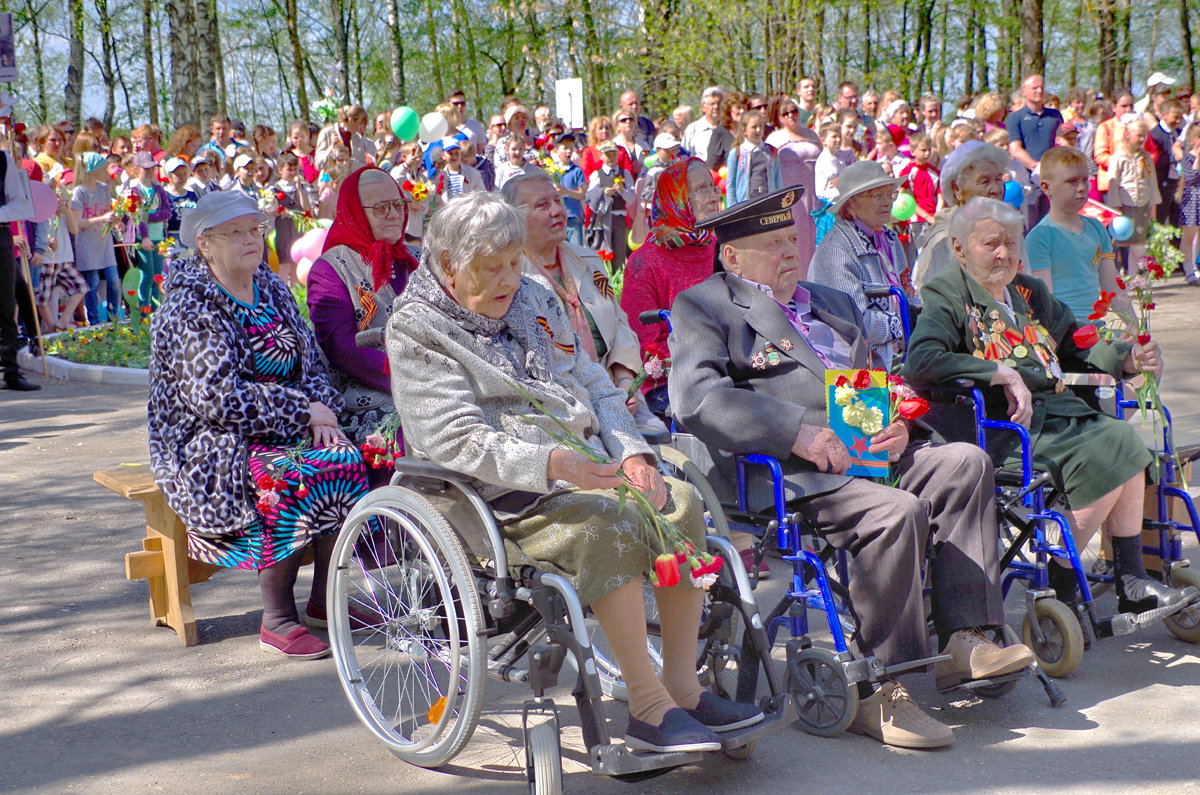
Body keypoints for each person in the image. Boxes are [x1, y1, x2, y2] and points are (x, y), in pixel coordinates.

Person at [385, 190, 763, 754]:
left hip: (583, 463)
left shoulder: (533, 294)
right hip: (497, 492)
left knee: (680, 502)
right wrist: (551, 464)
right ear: (447, 266)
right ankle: (647, 706)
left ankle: (683, 688)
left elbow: (591, 381)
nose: (511, 279)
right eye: (492, 269)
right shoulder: (417, 328)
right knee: (603, 524)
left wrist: (634, 452)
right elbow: (452, 438)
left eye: (515, 263)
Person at [668, 188, 1034, 751]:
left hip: (865, 451)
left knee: (965, 461)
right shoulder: (706, 305)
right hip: (787, 470)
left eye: (792, 238)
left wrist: (899, 425)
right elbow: (698, 399)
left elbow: (878, 380)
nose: (790, 252)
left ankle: (966, 638)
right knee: (898, 511)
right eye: (772, 245)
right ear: (732, 258)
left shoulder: (830, 300)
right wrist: (797, 432)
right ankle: (884, 687)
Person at [904, 196, 1190, 617]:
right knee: (1115, 444)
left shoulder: (1028, 291)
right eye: (990, 244)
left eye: (1010, 243)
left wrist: (1126, 359)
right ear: (960, 248)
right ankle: (1066, 577)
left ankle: (1130, 580)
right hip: (1003, 427)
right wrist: (995, 371)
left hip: (1057, 414)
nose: (1004, 253)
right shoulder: (946, 292)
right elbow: (922, 360)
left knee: (1125, 445)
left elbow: (1075, 342)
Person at [149, 191, 371, 660]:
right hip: (209, 438)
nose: (253, 239)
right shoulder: (190, 305)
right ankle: (277, 617)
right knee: (292, 473)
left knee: (346, 457)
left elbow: (311, 359)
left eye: (256, 228)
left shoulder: (267, 285)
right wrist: (300, 412)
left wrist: (321, 410)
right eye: (237, 232)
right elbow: (214, 397)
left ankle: (326, 600)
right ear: (205, 244)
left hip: (282, 421)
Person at [503, 172, 665, 437]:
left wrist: (625, 382)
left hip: (613, 391)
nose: (557, 210)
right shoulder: (508, 275)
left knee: (658, 439)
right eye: (542, 206)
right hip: (556, 408)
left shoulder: (587, 259)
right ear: (515, 217)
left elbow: (620, 324)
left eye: (557, 200)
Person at [308, 167, 418, 449]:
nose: (394, 214)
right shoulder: (331, 269)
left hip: (432, 378)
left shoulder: (419, 259)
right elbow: (343, 349)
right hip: (368, 389)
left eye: (398, 204)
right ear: (355, 212)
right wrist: (410, 376)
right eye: (381, 208)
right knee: (416, 428)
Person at [809, 161, 914, 367]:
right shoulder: (836, 250)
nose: (887, 202)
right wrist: (905, 323)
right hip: (854, 368)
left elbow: (907, 292)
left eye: (889, 194)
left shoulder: (890, 239)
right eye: (877, 196)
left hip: (896, 357)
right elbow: (854, 323)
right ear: (850, 205)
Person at [1026, 146, 1123, 318]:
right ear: (1046, 187)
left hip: (1096, 328)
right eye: (1071, 181)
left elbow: (1112, 286)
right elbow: (1045, 302)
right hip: (1064, 332)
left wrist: (1136, 328)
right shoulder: (1040, 237)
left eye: (1085, 180)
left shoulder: (1097, 228)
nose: (1081, 187)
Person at [913, 140, 1009, 290]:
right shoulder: (946, 239)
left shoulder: (1008, 229)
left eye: (998, 179)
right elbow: (939, 302)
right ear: (956, 189)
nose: (996, 189)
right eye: (984, 181)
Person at [764, 96, 822, 270]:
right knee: (795, 239)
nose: (790, 115)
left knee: (814, 238)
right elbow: (769, 169)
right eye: (785, 113)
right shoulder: (774, 138)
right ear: (779, 117)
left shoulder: (812, 134)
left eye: (794, 111)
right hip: (790, 196)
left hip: (813, 194)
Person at [71, 151, 121, 324]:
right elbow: (77, 222)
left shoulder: (103, 189)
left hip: (104, 244)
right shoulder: (79, 192)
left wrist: (116, 217)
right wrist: (102, 218)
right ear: (93, 170)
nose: (105, 170)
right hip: (87, 245)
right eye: (102, 167)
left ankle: (113, 320)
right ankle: (94, 322)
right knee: (91, 285)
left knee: (114, 281)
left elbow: (109, 211)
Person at [1007, 75, 1063, 224]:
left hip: (1053, 179)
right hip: (1028, 180)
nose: (1039, 91)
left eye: (1042, 88)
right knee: (1031, 223)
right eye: (1035, 88)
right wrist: (1036, 166)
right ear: (1024, 91)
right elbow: (1015, 149)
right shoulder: (1015, 118)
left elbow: (1062, 142)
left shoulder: (1055, 115)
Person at [1106, 119, 1161, 267]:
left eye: (1144, 136)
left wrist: (1153, 205)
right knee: (1133, 243)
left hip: (1143, 203)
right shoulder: (1118, 157)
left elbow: (1152, 181)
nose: (1142, 139)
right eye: (1138, 135)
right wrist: (1115, 208)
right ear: (1127, 135)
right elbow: (1113, 184)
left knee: (1138, 241)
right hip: (1125, 205)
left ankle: (1134, 278)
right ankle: (1149, 268)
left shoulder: (1145, 156)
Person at [585, 141, 635, 269]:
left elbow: (632, 198)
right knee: (603, 252)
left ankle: (618, 281)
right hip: (602, 219)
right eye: (608, 154)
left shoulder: (625, 174)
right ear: (601, 155)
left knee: (620, 253)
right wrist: (603, 192)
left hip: (619, 217)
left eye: (614, 154)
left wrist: (622, 191)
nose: (611, 157)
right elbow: (589, 197)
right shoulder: (597, 174)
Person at [725, 111, 780, 206]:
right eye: (754, 127)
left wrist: (779, 204)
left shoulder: (771, 152)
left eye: (760, 126)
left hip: (768, 206)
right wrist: (732, 209)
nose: (758, 130)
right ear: (744, 130)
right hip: (745, 207)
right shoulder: (736, 153)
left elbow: (777, 180)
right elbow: (730, 186)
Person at [681, 86, 734, 170]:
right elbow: (684, 156)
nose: (716, 107)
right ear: (703, 107)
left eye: (719, 103)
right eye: (712, 104)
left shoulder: (730, 128)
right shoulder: (693, 129)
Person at [315, 105, 375, 172]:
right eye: (360, 123)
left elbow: (363, 166)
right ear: (351, 120)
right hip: (331, 180)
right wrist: (331, 148)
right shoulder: (327, 133)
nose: (360, 127)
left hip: (351, 181)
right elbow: (318, 164)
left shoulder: (358, 139)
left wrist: (349, 162)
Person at [433, 138, 484, 205]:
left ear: (461, 154)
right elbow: (438, 199)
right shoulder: (440, 177)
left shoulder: (473, 173)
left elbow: (482, 193)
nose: (454, 156)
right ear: (443, 155)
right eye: (450, 153)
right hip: (449, 212)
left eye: (457, 153)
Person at [1180, 124, 1200, 284]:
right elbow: (1191, 177)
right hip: (1191, 200)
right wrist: (1198, 158)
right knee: (1189, 236)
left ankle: (1196, 266)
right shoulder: (1187, 157)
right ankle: (1188, 269)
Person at [813, 122, 844, 202]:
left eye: (840, 136)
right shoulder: (825, 159)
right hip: (828, 205)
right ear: (823, 140)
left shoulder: (838, 159)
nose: (838, 139)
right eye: (834, 137)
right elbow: (837, 184)